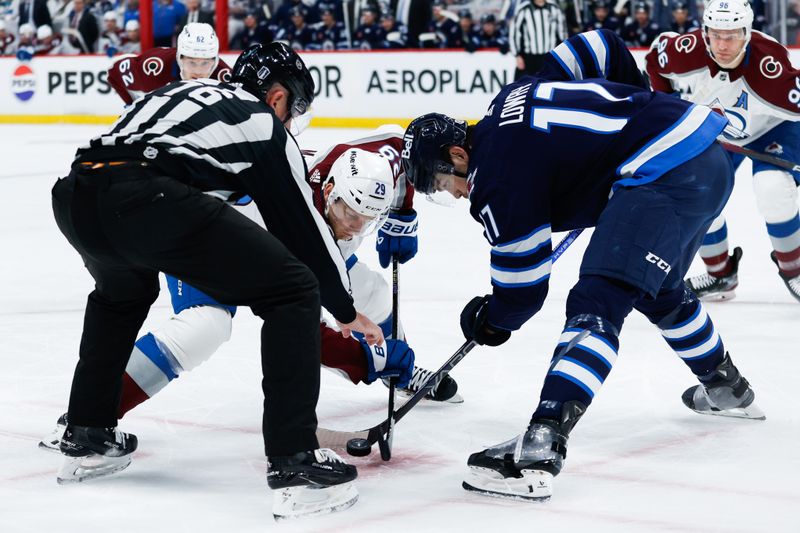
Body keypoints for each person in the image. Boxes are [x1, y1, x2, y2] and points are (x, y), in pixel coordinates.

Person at [400, 28, 764, 502]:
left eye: (440, 182)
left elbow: (524, 290)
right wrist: (641, 104)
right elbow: (601, 44)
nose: (450, 192)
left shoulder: (496, 178)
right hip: (702, 158)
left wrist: (491, 318)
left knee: (599, 298)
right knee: (660, 289)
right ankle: (727, 387)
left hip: (663, 176)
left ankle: (541, 443)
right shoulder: (509, 98)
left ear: (457, 154)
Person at [50, 42, 381, 519]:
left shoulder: (186, 90)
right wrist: (345, 310)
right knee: (294, 290)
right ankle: (295, 464)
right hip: (146, 196)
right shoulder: (263, 123)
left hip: (77, 194)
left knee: (122, 294)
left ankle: (88, 433)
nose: (293, 119)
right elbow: (301, 227)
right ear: (276, 96)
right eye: (296, 105)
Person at [645, 0, 800, 302]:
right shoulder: (686, 51)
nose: (723, 44)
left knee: (771, 187)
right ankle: (720, 274)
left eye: (732, 35)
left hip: (772, 129)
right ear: (704, 32)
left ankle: (794, 269)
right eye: (715, 34)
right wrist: (666, 107)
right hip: (716, 129)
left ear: (747, 32)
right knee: (697, 190)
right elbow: (654, 61)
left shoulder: (770, 69)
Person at [107, 23, 231, 106]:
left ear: (215, 62)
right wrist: (131, 105)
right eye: (192, 62)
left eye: (205, 63)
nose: (198, 72)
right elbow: (114, 72)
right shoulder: (153, 69)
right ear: (180, 58)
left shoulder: (224, 76)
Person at [509, 0, 567, 80]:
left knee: (549, 86)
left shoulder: (555, 8)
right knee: (527, 87)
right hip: (529, 58)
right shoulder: (523, 9)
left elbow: (563, 33)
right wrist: (517, 55)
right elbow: (514, 33)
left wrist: (563, 53)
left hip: (549, 57)